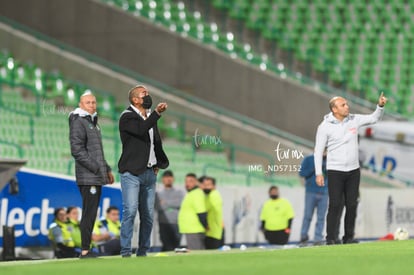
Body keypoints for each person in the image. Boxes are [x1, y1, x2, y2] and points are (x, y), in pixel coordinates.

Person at [314, 93, 387, 245]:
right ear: (334, 109)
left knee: (352, 205)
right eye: (343, 105)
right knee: (334, 205)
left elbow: (374, 118)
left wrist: (380, 106)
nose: (347, 107)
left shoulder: (354, 119)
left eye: (347, 104)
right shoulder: (324, 127)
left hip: (353, 171)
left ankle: (348, 237)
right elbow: (318, 151)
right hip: (335, 171)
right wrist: (318, 173)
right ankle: (331, 238)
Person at [118, 85, 169, 257]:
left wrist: (157, 163)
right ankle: (125, 251)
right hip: (131, 173)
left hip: (149, 173)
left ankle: (143, 251)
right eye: (144, 94)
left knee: (147, 215)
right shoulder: (127, 117)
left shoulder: (148, 117)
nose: (147, 96)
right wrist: (157, 114)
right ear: (135, 99)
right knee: (130, 211)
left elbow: (155, 143)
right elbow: (141, 130)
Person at [69, 91, 115, 258]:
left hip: (95, 175)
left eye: (94, 102)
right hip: (88, 176)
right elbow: (77, 150)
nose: (92, 105)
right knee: (89, 213)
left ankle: (87, 248)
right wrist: (96, 168)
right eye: (88, 103)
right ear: (80, 105)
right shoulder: (78, 121)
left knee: (91, 212)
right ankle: (85, 250)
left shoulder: (93, 122)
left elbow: (97, 152)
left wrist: (107, 169)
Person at [299, 153, 328, 246]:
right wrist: (315, 169)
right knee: (307, 216)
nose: (324, 152)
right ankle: (303, 236)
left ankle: (318, 238)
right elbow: (301, 173)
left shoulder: (330, 161)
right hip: (311, 191)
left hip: (324, 192)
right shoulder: (309, 159)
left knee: (321, 217)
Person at [155, 170, 184, 251]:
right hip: (163, 223)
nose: (168, 179)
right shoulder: (158, 193)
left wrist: (165, 203)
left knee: (176, 246)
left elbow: (180, 203)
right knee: (166, 246)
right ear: (162, 179)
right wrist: (173, 203)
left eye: (170, 177)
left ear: (173, 179)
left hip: (177, 223)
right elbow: (158, 207)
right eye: (166, 177)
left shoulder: (179, 192)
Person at [178, 173, 207, 250]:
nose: (187, 183)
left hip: (194, 230)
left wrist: (206, 226)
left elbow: (201, 213)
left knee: (196, 254)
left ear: (196, 182)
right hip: (191, 230)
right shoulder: (191, 193)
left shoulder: (197, 194)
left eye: (190, 181)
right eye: (186, 181)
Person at [200, 176, 224, 249]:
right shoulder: (213, 195)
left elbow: (204, 209)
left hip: (213, 232)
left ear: (214, 186)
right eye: (205, 185)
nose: (206, 187)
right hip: (214, 231)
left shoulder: (213, 195)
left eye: (208, 185)